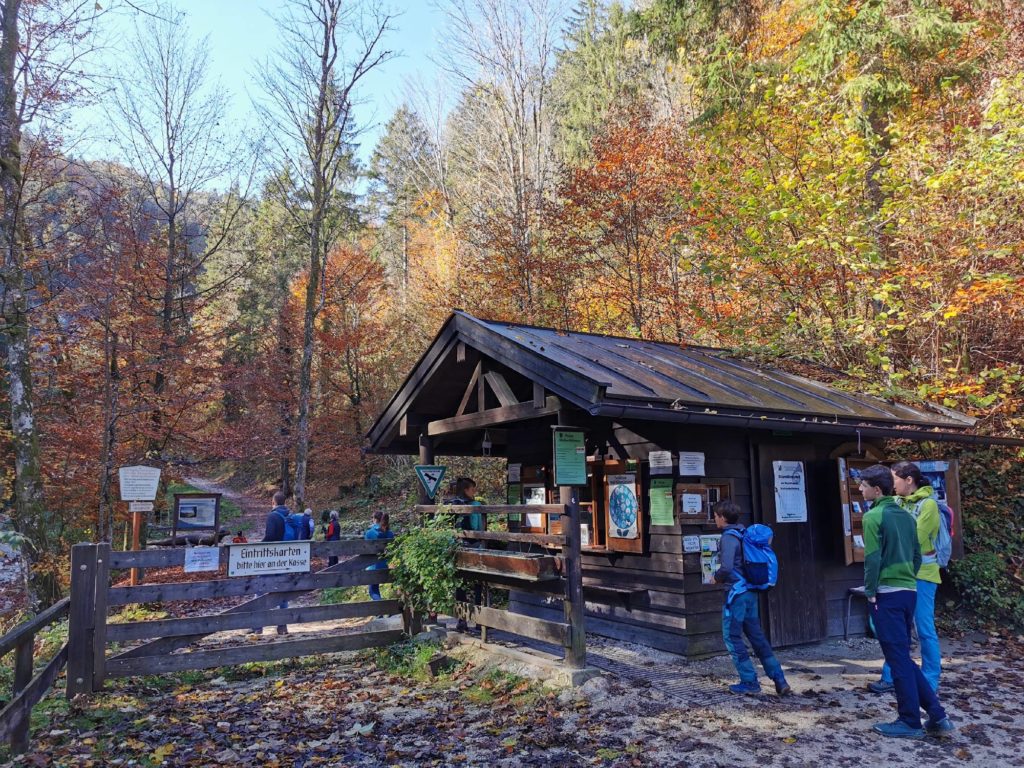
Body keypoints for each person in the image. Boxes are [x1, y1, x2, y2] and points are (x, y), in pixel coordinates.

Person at [859, 464, 953, 738]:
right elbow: (916, 554)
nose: (860, 489)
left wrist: (871, 590)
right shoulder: (905, 515)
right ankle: (937, 715)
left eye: (863, 485)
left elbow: (872, 558)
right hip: (908, 589)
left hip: (886, 593)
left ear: (877, 490)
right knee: (903, 656)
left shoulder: (873, 516)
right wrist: (907, 577)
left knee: (897, 658)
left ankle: (910, 721)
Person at [868, 461, 943, 694]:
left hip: (923, 575)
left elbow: (915, 541)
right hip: (901, 576)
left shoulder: (929, 505)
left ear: (908, 480)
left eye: (894, 479)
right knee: (897, 630)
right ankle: (891, 676)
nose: (892, 484)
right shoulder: (897, 502)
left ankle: (930, 679)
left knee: (924, 628)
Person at [712, 500, 791, 697]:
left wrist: (716, 577)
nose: (714, 519)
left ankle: (749, 680)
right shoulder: (745, 534)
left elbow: (727, 567)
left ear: (722, 517)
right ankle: (779, 678)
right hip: (751, 593)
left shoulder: (728, 538)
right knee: (757, 636)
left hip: (736, 595)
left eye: (715, 516)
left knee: (732, 636)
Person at [252, 490, 292, 635]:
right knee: (281, 591)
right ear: (285, 502)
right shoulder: (289, 515)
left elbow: (270, 537)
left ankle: (257, 626)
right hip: (285, 558)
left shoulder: (273, 516)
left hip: (271, 558)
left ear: (273, 502)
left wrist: (256, 546)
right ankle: (282, 625)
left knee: (260, 589)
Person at [452, 477, 483, 632]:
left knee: (460, 585)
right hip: (475, 546)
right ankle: (480, 621)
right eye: (472, 489)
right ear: (466, 490)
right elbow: (478, 527)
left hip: (457, 548)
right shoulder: (476, 506)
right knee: (479, 583)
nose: (474, 492)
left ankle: (461, 620)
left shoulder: (451, 505)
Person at [364, 510, 394, 601]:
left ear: (375, 519)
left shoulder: (370, 533)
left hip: (373, 566)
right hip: (385, 565)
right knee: (375, 588)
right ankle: (382, 610)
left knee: (372, 590)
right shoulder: (390, 533)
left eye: (372, 518)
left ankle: (381, 609)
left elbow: (364, 549)